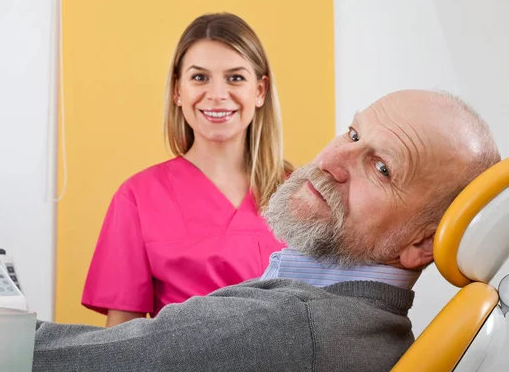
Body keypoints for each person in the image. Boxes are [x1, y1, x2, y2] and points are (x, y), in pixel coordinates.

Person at [35, 90, 501, 372]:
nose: (331, 162)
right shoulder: (376, 332)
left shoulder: (283, 327)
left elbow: (38, 361)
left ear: (423, 241)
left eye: (380, 168)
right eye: (352, 134)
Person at [82, 12, 293, 327]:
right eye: (199, 77)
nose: (218, 94)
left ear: (260, 91)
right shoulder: (137, 197)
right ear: (178, 91)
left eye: (235, 77)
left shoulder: (297, 194)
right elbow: (120, 342)